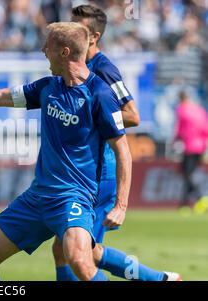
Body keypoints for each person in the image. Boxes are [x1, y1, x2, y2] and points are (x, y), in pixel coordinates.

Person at [0, 21, 132, 281]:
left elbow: (123, 150)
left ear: (65, 52)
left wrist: (121, 205)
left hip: (74, 198)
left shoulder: (100, 95)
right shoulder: (47, 87)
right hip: (37, 198)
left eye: (49, 45)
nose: (43, 49)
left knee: (80, 261)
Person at [51, 4, 181, 282]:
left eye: (79, 28)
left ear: (94, 37)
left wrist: (90, 116)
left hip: (101, 172)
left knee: (72, 249)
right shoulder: (73, 66)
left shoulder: (104, 69)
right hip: (86, 170)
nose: (71, 31)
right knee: (80, 249)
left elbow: (132, 115)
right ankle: (159, 279)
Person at [174, 91, 208, 209]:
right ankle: (184, 204)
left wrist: (175, 141)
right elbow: (205, 128)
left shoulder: (181, 109)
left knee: (187, 174)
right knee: (188, 174)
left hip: (189, 146)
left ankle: (200, 197)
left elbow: (179, 129)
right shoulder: (199, 109)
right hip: (201, 146)